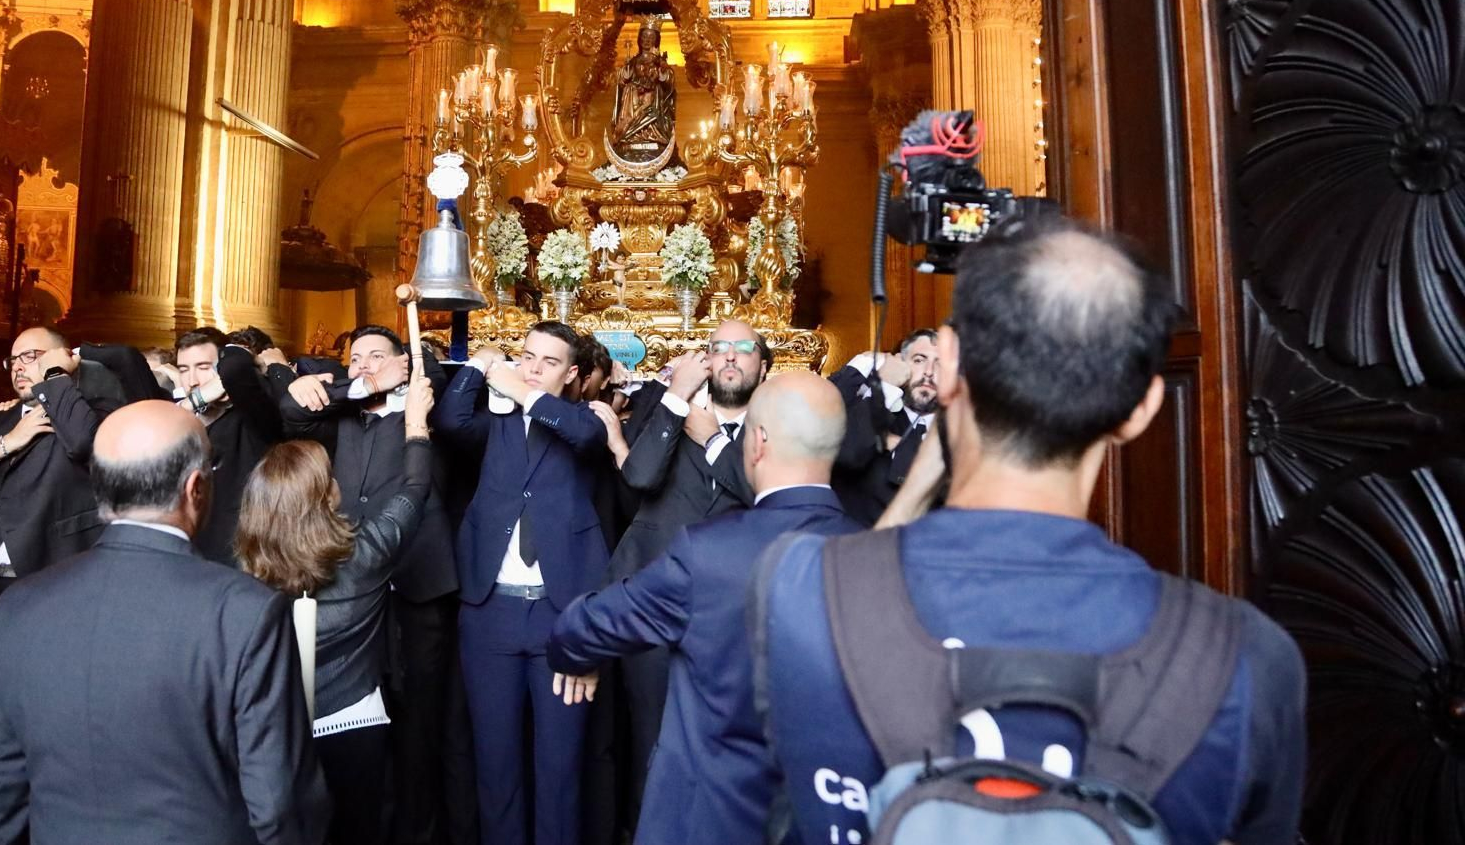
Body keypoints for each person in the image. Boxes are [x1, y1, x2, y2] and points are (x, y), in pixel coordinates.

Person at [755, 219, 1307, 845]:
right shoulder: (1244, 658)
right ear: (1141, 409)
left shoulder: (799, 590)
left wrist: (914, 490)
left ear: (950, 364)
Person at [0, 401, 329, 845]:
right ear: (195, 487)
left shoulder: (19, 607)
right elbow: (279, 800)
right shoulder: (245, 611)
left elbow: (6, 793)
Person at [548, 372, 860, 845]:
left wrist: (579, 655)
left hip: (708, 817)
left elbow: (582, 629)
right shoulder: (877, 551)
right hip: (828, 814)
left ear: (756, 443)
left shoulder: (709, 551)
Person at [237, 370, 435, 845]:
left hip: (275, 726)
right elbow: (414, 491)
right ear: (329, 495)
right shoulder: (366, 555)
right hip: (353, 722)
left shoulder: (243, 572)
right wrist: (416, 427)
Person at [280, 324, 459, 845]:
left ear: (402, 362)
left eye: (376, 356)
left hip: (418, 584)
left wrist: (411, 369)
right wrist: (355, 383)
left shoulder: (429, 408)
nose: (363, 365)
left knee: (419, 727)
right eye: (354, 357)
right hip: (354, 592)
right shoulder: (341, 416)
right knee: (367, 725)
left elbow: (437, 367)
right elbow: (290, 413)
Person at [435, 321, 610, 845]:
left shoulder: (585, 419)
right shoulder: (497, 423)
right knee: (496, 764)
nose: (533, 368)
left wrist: (525, 393)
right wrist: (480, 364)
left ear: (572, 373)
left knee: (560, 769)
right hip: (491, 613)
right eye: (527, 357)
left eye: (548, 362)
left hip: (561, 618)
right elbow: (449, 419)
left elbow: (583, 437)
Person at [607, 320, 767, 817]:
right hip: (655, 606)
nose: (730, 357)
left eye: (743, 349)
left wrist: (716, 440)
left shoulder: (775, 428)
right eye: (719, 348)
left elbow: (767, 494)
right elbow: (639, 476)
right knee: (649, 739)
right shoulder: (670, 412)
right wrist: (676, 397)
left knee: (729, 743)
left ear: (763, 367)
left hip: (733, 617)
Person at [0, 326, 124, 609]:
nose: (17, 366)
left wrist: (55, 376)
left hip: (52, 577)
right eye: (13, 360)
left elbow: (83, 442)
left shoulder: (96, 413)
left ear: (64, 359)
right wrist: (7, 442)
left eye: (30, 356)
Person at [174, 329, 284, 564]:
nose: (192, 380)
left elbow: (235, 369)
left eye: (203, 367)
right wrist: (192, 403)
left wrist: (242, 354)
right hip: (186, 554)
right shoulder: (180, 411)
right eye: (183, 369)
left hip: (238, 555)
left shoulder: (252, 416)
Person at [830, 330, 941, 526]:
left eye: (939, 363)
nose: (929, 372)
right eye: (919, 360)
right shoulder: (870, 410)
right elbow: (849, 453)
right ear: (901, 364)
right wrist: (887, 384)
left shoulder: (963, 429)